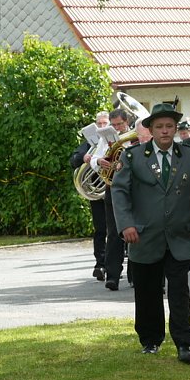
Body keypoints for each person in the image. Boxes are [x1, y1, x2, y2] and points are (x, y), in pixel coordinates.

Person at [111, 102, 190, 363]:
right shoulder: (133, 156)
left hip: (180, 236)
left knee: (179, 290)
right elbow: (119, 192)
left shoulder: (189, 156)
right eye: (159, 127)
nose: (165, 131)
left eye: (169, 126)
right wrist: (126, 225)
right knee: (147, 291)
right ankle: (150, 340)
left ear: (176, 128)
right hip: (144, 236)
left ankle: (184, 343)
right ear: (151, 130)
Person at [90, 108, 133, 291]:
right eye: (113, 125)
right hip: (113, 188)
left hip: (134, 190)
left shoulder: (136, 136)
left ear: (127, 123)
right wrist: (100, 162)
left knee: (136, 233)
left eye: (119, 125)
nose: (116, 129)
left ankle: (134, 276)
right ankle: (112, 276)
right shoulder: (105, 138)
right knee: (114, 233)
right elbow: (94, 158)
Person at [69, 110, 110, 281]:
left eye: (104, 123)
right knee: (100, 230)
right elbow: (73, 160)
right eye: (98, 124)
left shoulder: (116, 141)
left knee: (118, 231)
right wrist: (83, 157)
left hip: (115, 191)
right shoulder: (89, 143)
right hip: (98, 195)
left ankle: (119, 265)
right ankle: (100, 264)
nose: (101, 126)